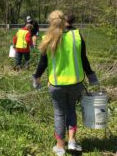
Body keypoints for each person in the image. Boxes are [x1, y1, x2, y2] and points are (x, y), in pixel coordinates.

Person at [32, 10, 99, 156]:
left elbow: (42, 63)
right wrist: (92, 76)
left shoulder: (47, 38)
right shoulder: (76, 36)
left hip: (56, 85)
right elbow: (84, 59)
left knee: (59, 114)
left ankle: (60, 147)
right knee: (71, 110)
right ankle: (73, 142)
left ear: (51, 22)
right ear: (65, 21)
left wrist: (36, 78)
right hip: (76, 83)